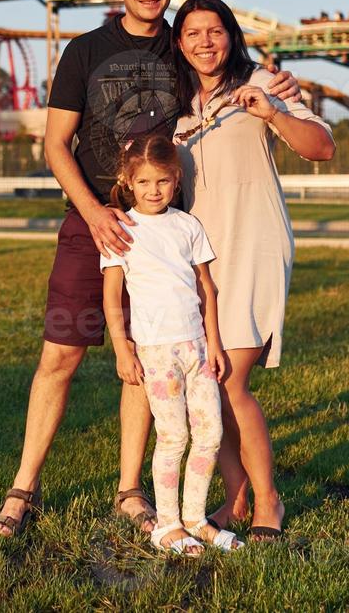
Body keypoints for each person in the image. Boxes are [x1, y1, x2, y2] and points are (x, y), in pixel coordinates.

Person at [0, 0, 301, 538]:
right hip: (94, 224)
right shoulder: (83, 50)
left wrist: (278, 88)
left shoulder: (186, 48)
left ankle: (130, 490)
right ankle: (23, 487)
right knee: (61, 354)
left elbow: (231, 71)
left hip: (165, 235)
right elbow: (55, 145)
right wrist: (96, 213)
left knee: (149, 355)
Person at [169, 0, 334, 542]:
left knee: (228, 380)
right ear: (179, 42)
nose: (204, 43)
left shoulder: (263, 83)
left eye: (214, 31)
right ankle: (236, 497)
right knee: (206, 387)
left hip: (256, 242)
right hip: (198, 256)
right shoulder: (174, 102)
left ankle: (267, 501)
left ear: (231, 35)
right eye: (192, 33)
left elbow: (322, 148)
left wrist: (276, 112)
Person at [99, 132, 244, 555]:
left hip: (196, 349)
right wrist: (123, 349)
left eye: (161, 181)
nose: (153, 190)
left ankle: (196, 519)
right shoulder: (123, 231)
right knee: (173, 436)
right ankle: (167, 525)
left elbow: (207, 290)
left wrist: (214, 344)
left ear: (175, 180)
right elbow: (111, 299)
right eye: (143, 182)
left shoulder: (187, 226)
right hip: (156, 352)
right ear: (128, 181)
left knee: (209, 433)